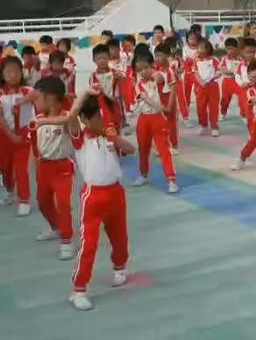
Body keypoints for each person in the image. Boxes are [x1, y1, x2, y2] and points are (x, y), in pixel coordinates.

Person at [65, 90, 135, 310]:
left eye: (102, 116)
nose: (101, 120)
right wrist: (85, 93)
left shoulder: (109, 135)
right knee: (89, 243)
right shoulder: (80, 138)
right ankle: (79, 290)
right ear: (85, 120)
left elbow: (131, 149)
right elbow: (71, 116)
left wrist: (112, 136)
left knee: (120, 237)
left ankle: (119, 267)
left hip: (116, 193)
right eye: (96, 117)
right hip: (93, 196)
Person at [29, 76, 75, 260]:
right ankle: (55, 227)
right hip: (44, 167)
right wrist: (36, 159)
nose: (35, 101)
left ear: (51, 98)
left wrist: (70, 100)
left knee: (63, 204)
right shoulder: (37, 119)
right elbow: (34, 142)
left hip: (62, 166)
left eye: (38, 97)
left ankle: (66, 241)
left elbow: (70, 120)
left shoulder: (67, 115)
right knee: (42, 201)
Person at [132, 52, 178, 193]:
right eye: (139, 70)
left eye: (145, 68)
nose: (143, 72)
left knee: (164, 149)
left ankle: (171, 179)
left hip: (158, 119)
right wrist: (164, 108)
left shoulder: (159, 76)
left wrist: (155, 74)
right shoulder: (138, 84)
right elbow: (147, 99)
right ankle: (143, 174)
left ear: (152, 66)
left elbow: (162, 79)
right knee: (143, 149)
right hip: (144, 119)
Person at [0, 56, 34, 215]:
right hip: (4, 137)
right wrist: (10, 136)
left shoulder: (27, 90)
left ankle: (24, 199)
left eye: (16, 71)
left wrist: (21, 101)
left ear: (22, 73)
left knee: (21, 169)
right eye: (8, 72)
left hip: (23, 136)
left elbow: (38, 94)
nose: (12, 75)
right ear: (2, 74)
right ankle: (9, 190)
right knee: (5, 169)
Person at [89, 43, 123, 133]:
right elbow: (91, 94)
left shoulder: (116, 73)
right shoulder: (93, 76)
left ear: (109, 57)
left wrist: (121, 79)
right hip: (100, 108)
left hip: (114, 106)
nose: (102, 61)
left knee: (116, 130)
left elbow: (123, 86)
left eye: (104, 58)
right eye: (99, 59)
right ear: (94, 60)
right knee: (104, 131)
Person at [193, 38, 221, 137]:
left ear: (208, 49)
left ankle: (214, 127)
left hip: (213, 86)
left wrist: (214, 76)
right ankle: (203, 125)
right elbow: (195, 73)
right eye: (198, 48)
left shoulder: (214, 59)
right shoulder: (196, 60)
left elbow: (219, 71)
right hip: (201, 87)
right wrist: (200, 82)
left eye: (201, 48)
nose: (199, 50)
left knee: (214, 107)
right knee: (200, 107)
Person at [154, 44, 179, 153]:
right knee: (161, 123)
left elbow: (173, 89)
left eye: (160, 56)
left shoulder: (169, 71)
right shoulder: (156, 69)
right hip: (159, 98)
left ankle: (173, 145)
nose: (157, 58)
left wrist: (169, 105)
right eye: (156, 56)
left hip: (168, 98)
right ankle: (163, 144)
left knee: (171, 122)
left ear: (167, 56)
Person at [164, 36, 191, 127]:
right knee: (169, 100)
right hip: (168, 84)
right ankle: (170, 117)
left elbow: (182, 69)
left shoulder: (178, 58)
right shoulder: (164, 59)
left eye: (173, 47)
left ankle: (186, 118)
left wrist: (177, 71)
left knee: (182, 100)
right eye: (170, 47)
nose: (172, 49)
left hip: (178, 82)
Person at [235, 37, 256, 130]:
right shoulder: (241, 64)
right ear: (242, 52)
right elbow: (237, 75)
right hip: (245, 91)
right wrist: (241, 84)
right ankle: (251, 132)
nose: (251, 54)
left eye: (253, 52)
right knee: (246, 111)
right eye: (248, 52)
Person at [219, 37, 242, 121]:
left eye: (232, 49)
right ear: (226, 49)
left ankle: (244, 112)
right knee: (225, 99)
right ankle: (222, 112)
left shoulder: (240, 59)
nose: (230, 51)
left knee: (242, 96)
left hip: (236, 81)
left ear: (236, 49)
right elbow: (220, 67)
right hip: (227, 82)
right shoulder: (224, 58)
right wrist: (226, 71)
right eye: (228, 49)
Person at [183, 30, 200, 108]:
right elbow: (185, 58)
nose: (192, 41)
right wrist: (189, 60)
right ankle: (187, 104)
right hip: (188, 73)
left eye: (194, 39)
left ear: (197, 39)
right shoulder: (185, 48)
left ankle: (200, 101)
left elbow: (200, 58)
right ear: (187, 40)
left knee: (198, 89)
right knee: (187, 89)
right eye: (190, 39)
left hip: (197, 73)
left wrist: (195, 59)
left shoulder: (200, 48)